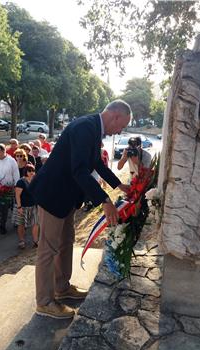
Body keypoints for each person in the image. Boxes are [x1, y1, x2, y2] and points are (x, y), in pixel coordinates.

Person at [29, 99, 132, 319]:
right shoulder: (86, 127)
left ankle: (62, 287)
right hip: (52, 194)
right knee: (48, 249)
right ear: (115, 116)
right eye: (122, 125)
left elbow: (96, 162)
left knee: (66, 242)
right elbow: (79, 170)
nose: (120, 131)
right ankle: (44, 302)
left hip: (66, 196)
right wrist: (104, 200)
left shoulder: (93, 127)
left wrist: (118, 184)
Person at [12, 164, 39, 249]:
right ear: (25, 172)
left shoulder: (35, 180)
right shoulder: (21, 182)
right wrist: (19, 207)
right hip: (22, 207)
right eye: (29, 171)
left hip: (33, 206)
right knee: (21, 224)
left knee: (36, 223)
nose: (31, 172)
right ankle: (21, 241)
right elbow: (17, 195)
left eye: (33, 171)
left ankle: (36, 241)